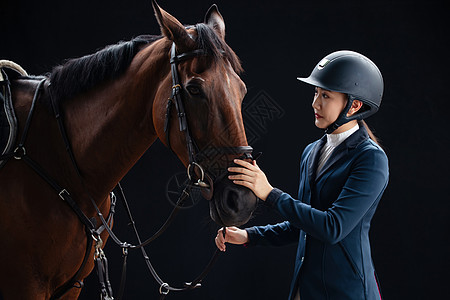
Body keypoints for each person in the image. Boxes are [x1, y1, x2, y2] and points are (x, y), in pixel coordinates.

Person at [215, 50, 389, 300]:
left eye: (325, 95)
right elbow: (303, 225)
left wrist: (270, 194)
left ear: (355, 105)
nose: (315, 103)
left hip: (346, 293)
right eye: (316, 93)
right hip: (304, 290)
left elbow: (332, 227)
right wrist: (248, 236)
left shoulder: (371, 159)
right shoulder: (311, 152)